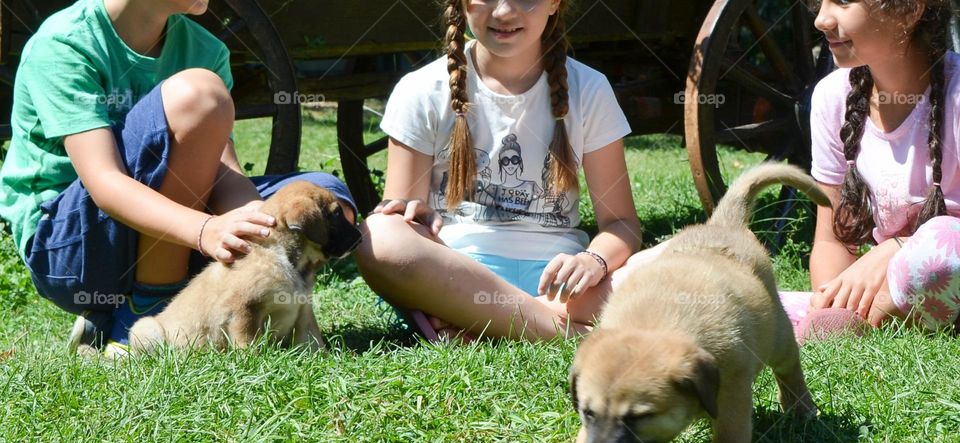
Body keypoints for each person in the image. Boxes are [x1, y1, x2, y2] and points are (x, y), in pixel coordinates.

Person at [0, 0, 356, 356]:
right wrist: (204, 230)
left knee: (325, 202)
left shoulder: (204, 48)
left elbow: (224, 171)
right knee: (198, 96)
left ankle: (206, 310)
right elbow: (104, 182)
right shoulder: (65, 44)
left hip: (173, 226)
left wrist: (260, 226)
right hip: (76, 244)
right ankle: (145, 310)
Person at [354, 0, 642, 341]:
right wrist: (411, 215)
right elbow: (401, 219)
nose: (504, 12)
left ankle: (481, 325)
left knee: (677, 255)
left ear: (554, 4)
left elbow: (621, 223)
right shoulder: (421, 90)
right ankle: (566, 332)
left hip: (561, 285)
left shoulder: (589, 89)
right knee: (379, 237)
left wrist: (594, 260)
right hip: (459, 277)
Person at [782, 0, 959, 339]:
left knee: (944, 245)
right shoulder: (832, 98)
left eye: (843, 2)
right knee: (738, 301)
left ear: (909, 9)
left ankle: (863, 325)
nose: (821, 19)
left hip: (943, 270)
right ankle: (851, 322)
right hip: (891, 292)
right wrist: (832, 301)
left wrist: (897, 248)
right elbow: (832, 239)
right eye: (821, 3)